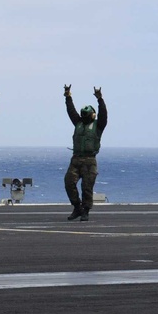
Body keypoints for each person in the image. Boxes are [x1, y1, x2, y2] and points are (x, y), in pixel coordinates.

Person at [64, 85, 107, 222]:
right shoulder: (78, 123)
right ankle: (77, 207)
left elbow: (103, 114)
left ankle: (86, 211)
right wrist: (68, 96)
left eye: (86, 115)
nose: (83, 117)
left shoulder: (98, 125)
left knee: (87, 187)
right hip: (76, 159)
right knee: (69, 183)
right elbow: (71, 111)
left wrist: (100, 99)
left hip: (89, 161)